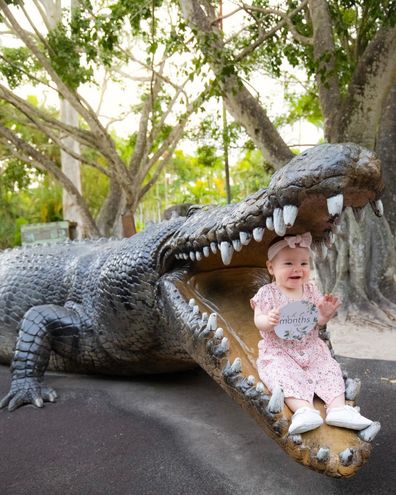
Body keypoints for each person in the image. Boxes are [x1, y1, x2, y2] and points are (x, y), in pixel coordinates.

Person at [251, 232, 373, 435]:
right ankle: (304, 410)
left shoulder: (310, 290)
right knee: (283, 374)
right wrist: (267, 321)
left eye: (304, 263)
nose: (297, 269)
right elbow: (258, 320)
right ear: (271, 268)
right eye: (288, 263)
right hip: (281, 351)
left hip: (311, 348)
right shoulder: (267, 293)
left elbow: (316, 320)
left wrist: (324, 314)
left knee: (329, 369)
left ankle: (338, 408)